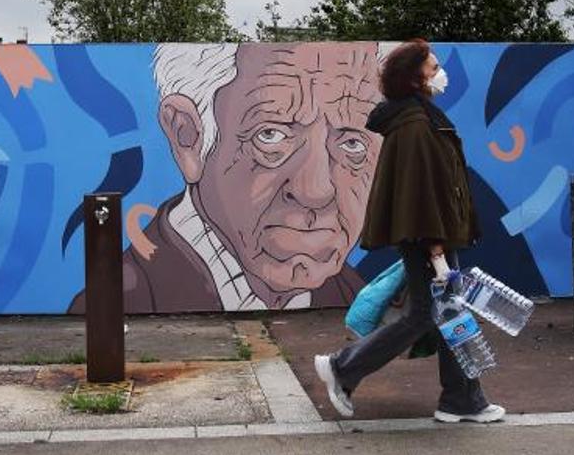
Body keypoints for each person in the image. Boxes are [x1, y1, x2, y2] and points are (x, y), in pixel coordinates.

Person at [70, 42, 388, 313]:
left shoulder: (350, 295)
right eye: (271, 135)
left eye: (353, 144)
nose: (316, 190)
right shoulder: (121, 302)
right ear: (188, 138)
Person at [314, 39, 506, 423]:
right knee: (424, 314)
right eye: (434, 69)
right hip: (428, 236)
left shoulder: (417, 118)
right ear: (416, 78)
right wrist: (435, 247)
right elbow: (420, 189)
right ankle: (342, 367)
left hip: (431, 233)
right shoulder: (415, 125)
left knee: (449, 310)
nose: (440, 74)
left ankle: (462, 400)